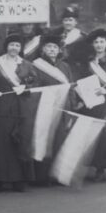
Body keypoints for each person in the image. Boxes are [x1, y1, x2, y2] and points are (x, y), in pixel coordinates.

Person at [71, 29, 106, 182]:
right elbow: (80, 80)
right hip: (91, 103)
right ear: (92, 45)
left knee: (104, 135)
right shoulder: (87, 61)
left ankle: (100, 168)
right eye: (96, 42)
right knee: (90, 134)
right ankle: (90, 164)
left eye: (102, 42)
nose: (99, 45)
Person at [0, 33, 39, 191]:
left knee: (21, 142)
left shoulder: (27, 64)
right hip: (2, 106)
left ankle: (20, 179)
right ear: (6, 46)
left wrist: (26, 87)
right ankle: (1, 178)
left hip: (21, 106)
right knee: (2, 143)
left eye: (17, 45)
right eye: (11, 45)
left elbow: (35, 83)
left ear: (21, 48)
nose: (14, 48)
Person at [30, 33, 76, 184]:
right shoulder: (35, 65)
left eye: (55, 47)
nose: (52, 49)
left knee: (60, 141)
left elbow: (71, 87)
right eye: (48, 46)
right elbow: (34, 88)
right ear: (43, 49)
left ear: (59, 50)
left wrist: (72, 104)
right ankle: (42, 177)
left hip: (63, 109)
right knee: (44, 140)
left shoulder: (65, 66)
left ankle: (56, 175)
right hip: (45, 108)